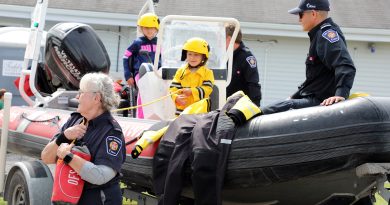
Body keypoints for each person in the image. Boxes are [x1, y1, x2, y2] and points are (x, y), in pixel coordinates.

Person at [41, 73, 126, 205]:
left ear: (96, 98)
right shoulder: (74, 120)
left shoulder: (111, 133)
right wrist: (64, 137)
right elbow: (46, 157)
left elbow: (100, 176)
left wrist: (68, 156)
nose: (77, 96)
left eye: (81, 92)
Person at [261, 0, 356, 114]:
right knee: (285, 102)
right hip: (313, 98)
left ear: (314, 14)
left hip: (320, 102)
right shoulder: (318, 35)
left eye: (301, 14)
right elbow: (315, 80)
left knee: (270, 110)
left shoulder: (326, 35)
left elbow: (345, 65)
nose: (299, 19)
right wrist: (294, 96)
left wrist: (341, 95)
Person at [123, 13, 160, 118]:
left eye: (152, 28)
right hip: (141, 73)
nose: (149, 30)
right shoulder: (137, 43)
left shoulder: (160, 43)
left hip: (157, 74)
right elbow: (126, 57)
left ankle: (156, 117)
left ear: (156, 28)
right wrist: (128, 75)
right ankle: (140, 117)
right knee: (145, 90)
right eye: (146, 28)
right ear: (141, 29)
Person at [169, 37, 215, 116]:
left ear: (203, 57)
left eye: (196, 55)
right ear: (185, 55)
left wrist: (192, 91)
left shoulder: (208, 72)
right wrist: (176, 97)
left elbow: (208, 89)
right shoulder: (180, 71)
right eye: (189, 54)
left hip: (200, 114)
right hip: (182, 113)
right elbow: (173, 88)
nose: (192, 58)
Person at [225, 24, 262, 106]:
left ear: (228, 39)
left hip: (239, 109)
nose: (218, 42)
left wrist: (255, 108)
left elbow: (253, 85)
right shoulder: (222, 57)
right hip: (222, 106)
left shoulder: (247, 58)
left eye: (220, 38)